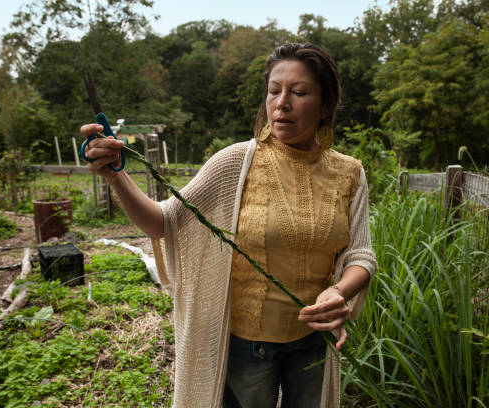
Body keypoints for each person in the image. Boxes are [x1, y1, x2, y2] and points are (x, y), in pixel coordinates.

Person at [80, 43, 377, 408]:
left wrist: (340, 291)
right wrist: (116, 177)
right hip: (248, 348)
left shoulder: (350, 173)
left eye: (299, 93)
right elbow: (163, 222)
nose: (282, 103)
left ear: (326, 104)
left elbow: (361, 255)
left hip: (315, 341)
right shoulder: (235, 163)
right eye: (274, 91)